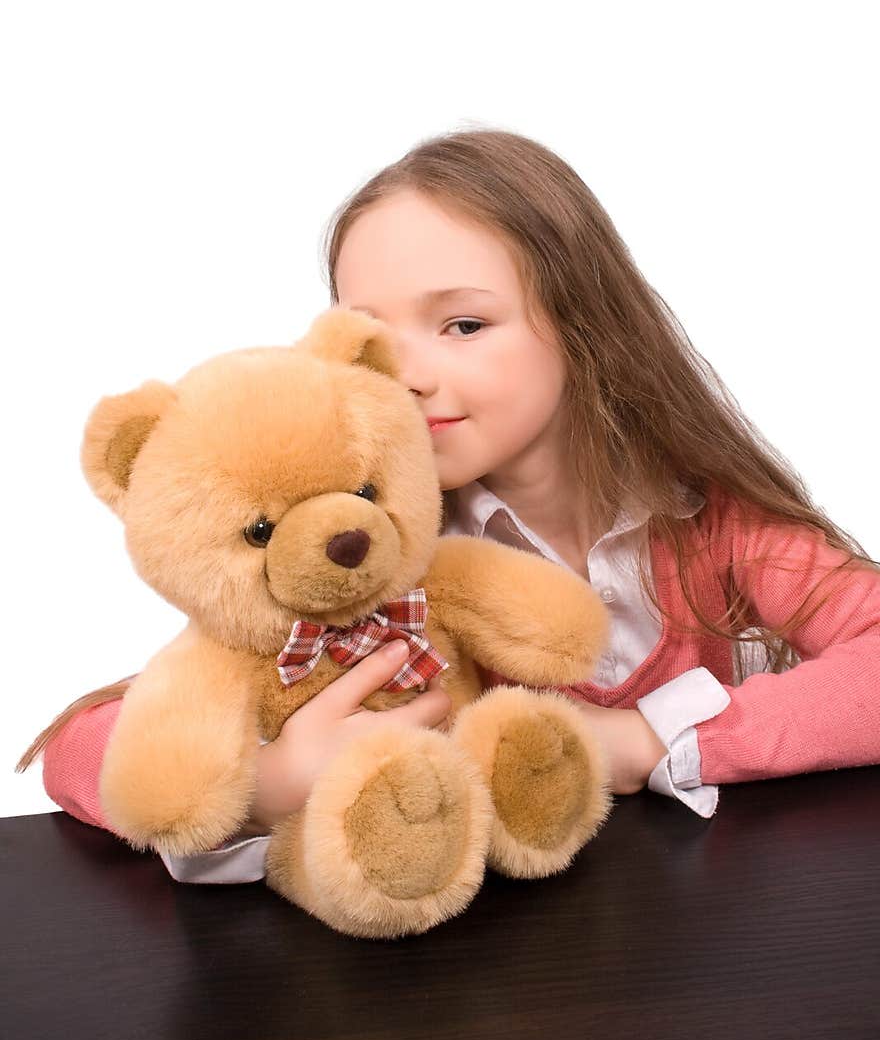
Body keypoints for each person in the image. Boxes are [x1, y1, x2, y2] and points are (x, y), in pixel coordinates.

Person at [19, 127, 880, 885]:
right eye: (374, 337)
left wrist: (646, 742)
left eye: (462, 326)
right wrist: (268, 783)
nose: (413, 374)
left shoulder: (707, 520)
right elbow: (81, 750)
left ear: (585, 328)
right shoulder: (366, 558)